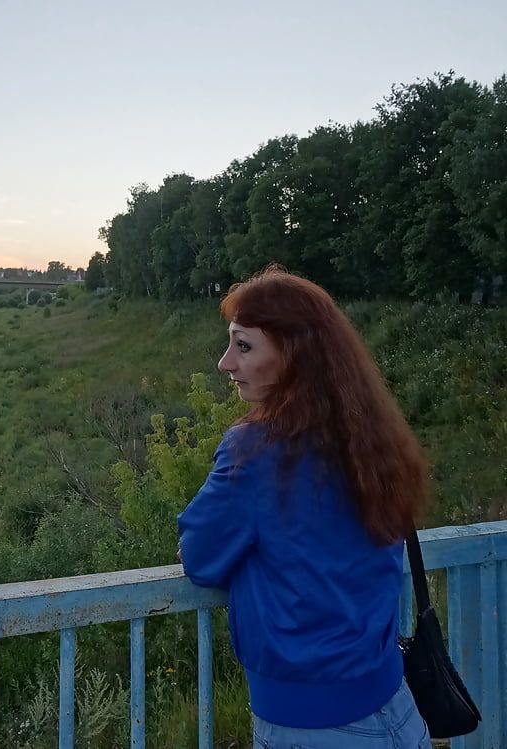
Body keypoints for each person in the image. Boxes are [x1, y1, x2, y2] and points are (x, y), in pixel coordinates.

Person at [176, 268, 432, 748]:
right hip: (396, 709)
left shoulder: (254, 450)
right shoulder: (372, 439)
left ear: (295, 357)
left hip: (312, 726)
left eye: (244, 346)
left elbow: (200, 558)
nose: (224, 362)